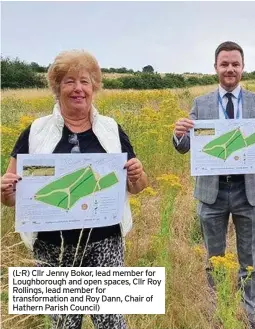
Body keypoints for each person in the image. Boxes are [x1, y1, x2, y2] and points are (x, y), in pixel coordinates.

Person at [1, 50, 148, 329]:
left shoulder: (111, 130)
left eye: (85, 81)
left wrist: (137, 175)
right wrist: (5, 190)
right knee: (64, 324)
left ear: (94, 87)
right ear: (57, 88)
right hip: (52, 248)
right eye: (69, 81)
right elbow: (9, 198)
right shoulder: (35, 132)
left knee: (111, 322)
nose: (78, 88)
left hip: (105, 244)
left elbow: (138, 186)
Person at [173, 41, 255, 329]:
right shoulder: (201, 103)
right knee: (214, 260)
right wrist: (179, 134)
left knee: (250, 262)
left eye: (235, 64)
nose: (230, 69)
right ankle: (219, 316)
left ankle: (248, 319)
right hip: (212, 192)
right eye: (224, 64)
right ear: (215, 68)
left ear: (242, 67)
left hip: (248, 192)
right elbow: (186, 146)